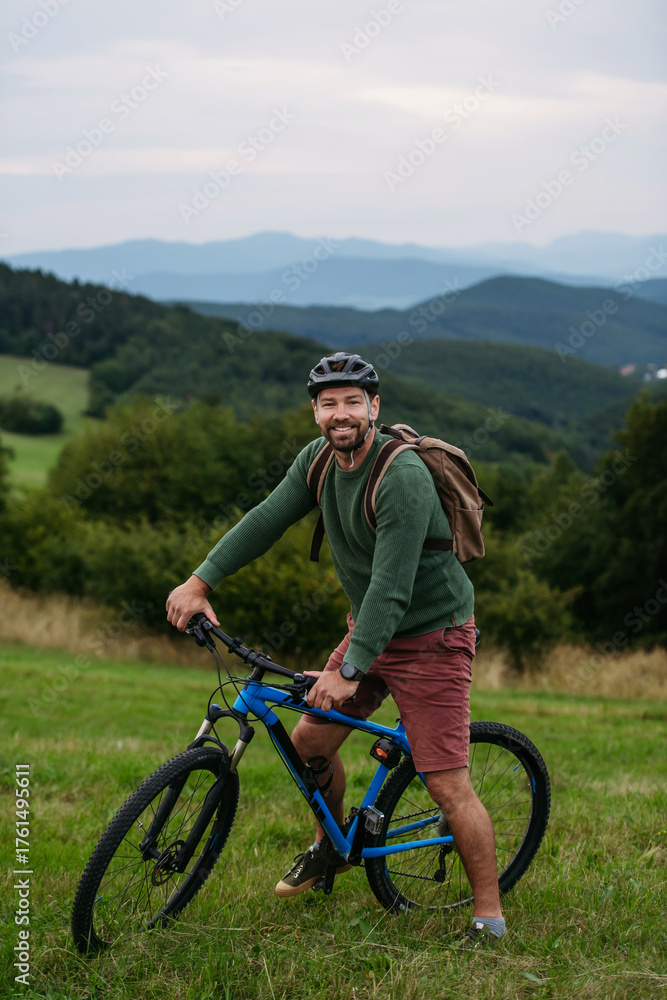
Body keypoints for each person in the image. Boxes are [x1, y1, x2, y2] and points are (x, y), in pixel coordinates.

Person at [166, 352, 505, 950]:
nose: (340, 413)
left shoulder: (401, 475)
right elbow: (266, 519)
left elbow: (393, 588)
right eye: (329, 403)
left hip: (433, 636)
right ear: (315, 412)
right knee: (309, 743)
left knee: (446, 783)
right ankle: (330, 848)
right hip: (372, 627)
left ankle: (489, 917)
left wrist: (349, 670)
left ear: (375, 408)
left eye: (353, 401)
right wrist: (200, 582)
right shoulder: (318, 460)